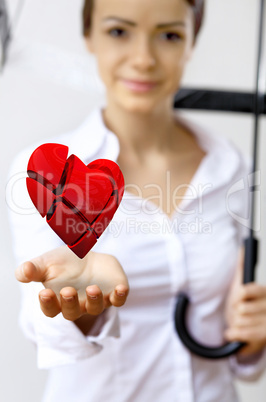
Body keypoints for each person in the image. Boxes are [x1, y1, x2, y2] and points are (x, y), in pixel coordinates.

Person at [8, 0, 266, 401]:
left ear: (191, 42)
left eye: (168, 35)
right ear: (88, 35)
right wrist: (80, 308)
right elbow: (44, 336)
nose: (144, 59)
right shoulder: (43, 175)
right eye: (118, 31)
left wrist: (251, 339)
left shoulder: (232, 167)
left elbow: (240, 361)